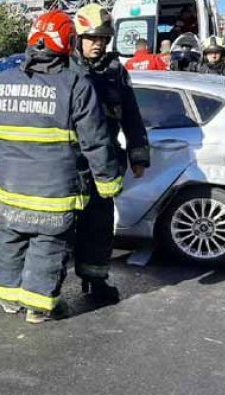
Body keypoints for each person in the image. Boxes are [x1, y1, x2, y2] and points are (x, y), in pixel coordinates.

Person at [0, 9, 122, 324]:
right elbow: (95, 141)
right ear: (67, 41)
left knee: (10, 241)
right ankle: (39, 307)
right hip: (54, 193)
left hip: (11, 191)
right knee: (47, 246)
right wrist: (108, 182)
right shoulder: (76, 84)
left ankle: (10, 300)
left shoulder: (3, 81)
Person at [70, 3, 150, 303]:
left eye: (104, 38)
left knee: (99, 227)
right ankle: (47, 286)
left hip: (103, 165)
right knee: (58, 230)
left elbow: (131, 114)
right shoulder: (65, 69)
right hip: (68, 165)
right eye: (92, 38)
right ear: (78, 38)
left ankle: (94, 280)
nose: (99, 44)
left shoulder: (116, 70)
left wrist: (138, 154)